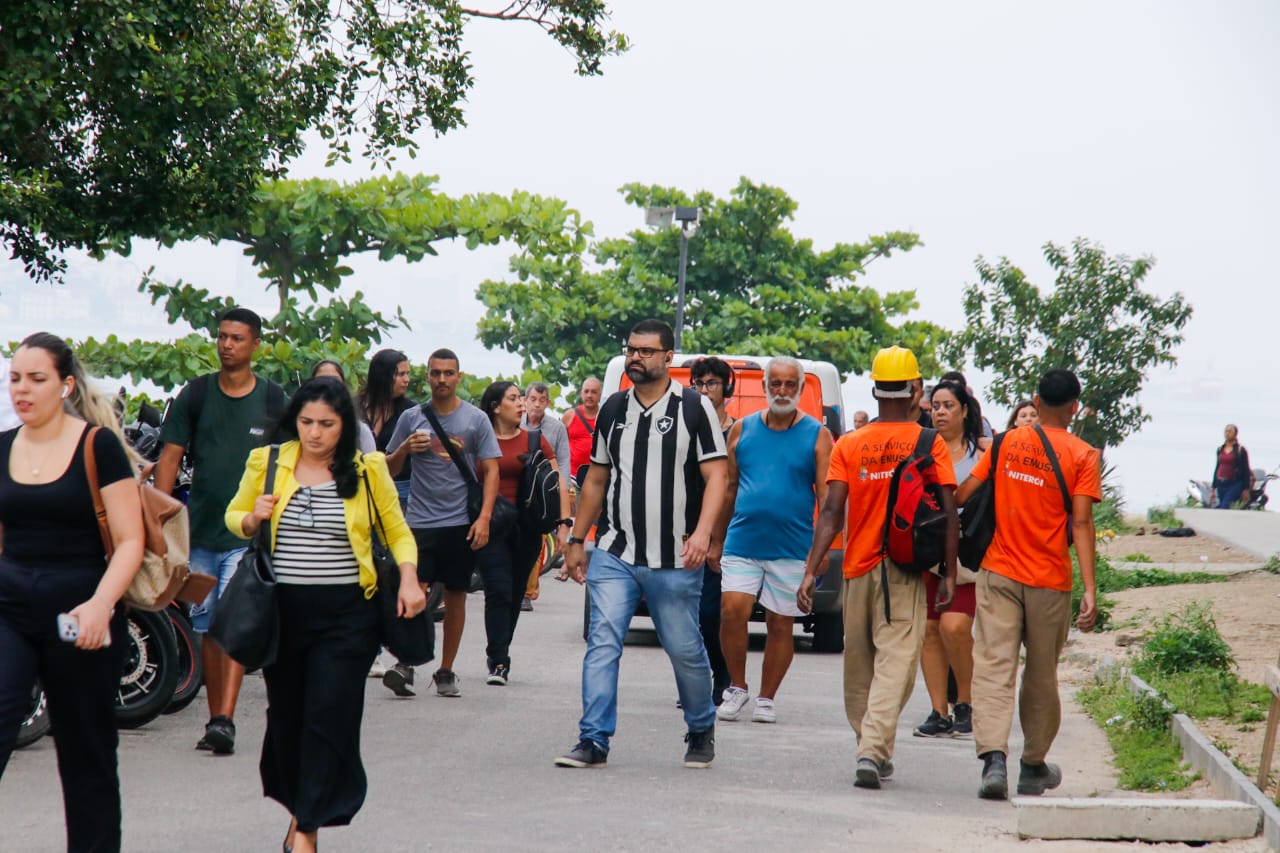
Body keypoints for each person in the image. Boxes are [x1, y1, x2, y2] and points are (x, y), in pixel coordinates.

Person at [225, 377, 424, 853]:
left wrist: (410, 578)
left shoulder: (367, 469)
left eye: (327, 424)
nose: (315, 433)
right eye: (307, 422)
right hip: (283, 615)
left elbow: (398, 532)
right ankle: (301, 810)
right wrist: (252, 517)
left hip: (348, 619)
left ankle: (307, 831)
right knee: (288, 718)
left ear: (344, 426)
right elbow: (234, 517)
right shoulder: (268, 462)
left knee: (329, 717)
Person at [555, 319, 728, 770]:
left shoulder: (694, 408)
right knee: (603, 642)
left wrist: (704, 532)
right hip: (615, 552)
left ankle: (700, 726)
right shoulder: (613, 408)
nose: (635, 357)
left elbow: (717, 476)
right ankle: (593, 739)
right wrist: (577, 539)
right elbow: (596, 479)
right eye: (631, 349)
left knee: (685, 649)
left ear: (668, 357)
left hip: (675, 557)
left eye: (646, 351)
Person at [0, 332, 145, 852]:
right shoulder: (1, 447)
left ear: (64, 385)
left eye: (36, 379)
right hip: (9, 611)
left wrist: (101, 606)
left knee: (87, 755)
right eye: (15, 378)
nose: (22, 389)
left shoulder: (97, 446)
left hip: (82, 615)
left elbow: (131, 541)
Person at [799, 345, 958, 790]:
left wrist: (811, 570)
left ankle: (870, 745)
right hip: (904, 571)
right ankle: (872, 748)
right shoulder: (930, 443)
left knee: (859, 666)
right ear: (915, 390)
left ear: (874, 390)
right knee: (897, 664)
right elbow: (948, 512)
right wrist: (948, 571)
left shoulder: (850, 443)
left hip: (856, 570)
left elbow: (831, 512)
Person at [957, 368, 1101, 800]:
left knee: (993, 667)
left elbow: (964, 493)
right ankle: (1033, 764)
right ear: (1074, 408)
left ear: (1036, 402)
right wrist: (1090, 589)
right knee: (1041, 674)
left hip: (999, 572)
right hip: (1049, 581)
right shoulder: (1083, 455)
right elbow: (1081, 523)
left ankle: (993, 760)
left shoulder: (1004, 443)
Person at [154, 307, 286, 755]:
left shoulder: (273, 400)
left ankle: (224, 720)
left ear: (256, 345)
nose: (227, 345)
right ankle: (216, 718)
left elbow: (293, 459)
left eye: (237, 338)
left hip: (248, 535)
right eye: (222, 336)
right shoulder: (195, 394)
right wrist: (159, 520)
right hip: (200, 531)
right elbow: (170, 457)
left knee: (230, 624)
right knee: (208, 626)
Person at [713, 356, 832, 725]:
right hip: (742, 541)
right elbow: (729, 488)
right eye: (775, 384)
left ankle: (767, 698)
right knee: (732, 611)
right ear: (765, 387)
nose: (782, 391)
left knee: (781, 624)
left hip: (793, 546)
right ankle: (737, 686)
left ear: (800, 389)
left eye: (790, 384)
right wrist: (715, 539)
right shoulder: (741, 430)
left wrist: (822, 552)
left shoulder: (817, 435)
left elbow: (827, 499)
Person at [384, 348, 501, 697]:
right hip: (419, 521)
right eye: (435, 373)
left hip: (460, 521)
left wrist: (484, 518)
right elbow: (389, 468)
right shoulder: (412, 418)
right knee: (413, 590)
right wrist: (404, 449)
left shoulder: (476, 419)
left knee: (456, 595)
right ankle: (406, 662)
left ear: (458, 377)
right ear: (427, 377)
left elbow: (491, 470)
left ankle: (446, 670)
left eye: (449, 373)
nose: (442, 379)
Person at [476, 381, 571, 683]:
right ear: (495, 407)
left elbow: (557, 481)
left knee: (515, 592)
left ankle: (500, 649)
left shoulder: (533, 440)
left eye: (521, 398)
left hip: (526, 528)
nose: (521, 404)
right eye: (513, 399)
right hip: (491, 525)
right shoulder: (479, 439)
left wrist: (564, 524)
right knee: (498, 590)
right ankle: (499, 660)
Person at [913, 380, 984, 739]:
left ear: (965, 411)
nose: (940, 412)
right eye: (936, 406)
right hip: (928, 552)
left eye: (948, 406)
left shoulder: (981, 453)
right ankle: (939, 710)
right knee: (928, 630)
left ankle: (966, 702)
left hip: (967, 559)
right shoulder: (922, 449)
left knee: (954, 627)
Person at [689, 356, 736, 705]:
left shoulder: (736, 431)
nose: (705, 390)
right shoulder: (686, 427)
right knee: (687, 613)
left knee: (712, 611)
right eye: (699, 384)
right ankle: (696, 681)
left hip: (727, 530)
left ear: (726, 388)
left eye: (712, 384)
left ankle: (722, 676)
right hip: (687, 526)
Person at [520, 381, 570, 608]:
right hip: (519, 487)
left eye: (542, 400)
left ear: (548, 403)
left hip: (543, 491)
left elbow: (563, 462)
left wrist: (561, 492)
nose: (537, 405)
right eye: (533, 400)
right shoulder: (516, 423)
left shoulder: (556, 428)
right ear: (525, 400)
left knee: (537, 539)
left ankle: (527, 592)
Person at [357, 349, 415, 511]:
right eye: (400, 374)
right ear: (383, 376)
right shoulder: (354, 407)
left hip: (399, 490)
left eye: (407, 374)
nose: (406, 380)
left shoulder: (410, 411)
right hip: (360, 485)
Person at [311, 361, 376, 453]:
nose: (328, 386)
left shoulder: (360, 431)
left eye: (335, 381)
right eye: (321, 381)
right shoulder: (300, 429)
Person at [561, 375, 601, 487]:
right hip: (572, 478)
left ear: (600, 395)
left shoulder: (605, 416)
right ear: (581, 394)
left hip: (598, 480)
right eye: (586, 391)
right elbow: (558, 446)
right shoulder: (570, 415)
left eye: (594, 392)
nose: (589, 395)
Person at [1211, 424, 1252, 509]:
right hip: (1221, 483)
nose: (1227, 433)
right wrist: (1213, 488)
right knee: (1222, 505)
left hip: (1234, 483)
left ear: (1235, 434)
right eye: (1226, 431)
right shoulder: (1220, 449)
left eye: (1230, 431)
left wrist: (1246, 489)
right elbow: (1217, 467)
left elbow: (1246, 470)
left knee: (1224, 506)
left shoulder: (1241, 450)